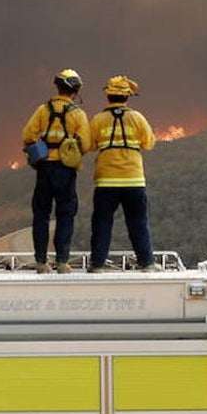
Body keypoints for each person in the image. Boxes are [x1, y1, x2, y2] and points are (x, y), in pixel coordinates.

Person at [21, 68, 91, 273]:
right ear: (75, 91)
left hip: (44, 168)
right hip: (66, 170)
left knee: (41, 214)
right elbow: (86, 144)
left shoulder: (43, 110)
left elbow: (28, 135)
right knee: (65, 214)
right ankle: (62, 262)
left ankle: (41, 262)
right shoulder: (78, 114)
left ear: (58, 87)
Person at [86, 75, 158, 272]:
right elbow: (149, 143)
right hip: (133, 180)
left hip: (106, 181)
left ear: (108, 96)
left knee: (102, 222)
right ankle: (147, 263)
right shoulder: (137, 118)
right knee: (138, 222)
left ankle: (97, 265)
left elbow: (89, 145)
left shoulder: (98, 120)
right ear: (128, 97)